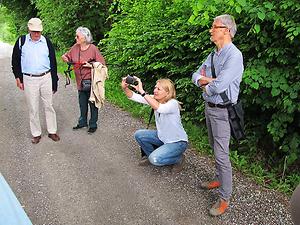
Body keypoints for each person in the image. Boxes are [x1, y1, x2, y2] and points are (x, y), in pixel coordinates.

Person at [192, 14, 244, 216]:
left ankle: (224, 198)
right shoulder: (213, 55)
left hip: (223, 112)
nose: (211, 30)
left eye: (215, 26)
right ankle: (219, 179)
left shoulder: (234, 56)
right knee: (214, 148)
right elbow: (194, 75)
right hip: (210, 108)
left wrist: (207, 85)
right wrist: (205, 80)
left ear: (226, 30)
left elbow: (220, 86)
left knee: (222, 156)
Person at [121, 77, 188, 173]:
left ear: (167, 93)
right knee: (139, 134)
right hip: (162, 137)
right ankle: (152, 156)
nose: (155, 90)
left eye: (159, 89)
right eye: (155, 88)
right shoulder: (156, 99)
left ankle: (178, 159)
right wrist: (125, 88)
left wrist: (142, 91)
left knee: (155, 159)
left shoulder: (173, 103)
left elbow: (160, 108)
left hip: (177, 142)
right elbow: (134, 97)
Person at [11, 18, 60, 144]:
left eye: (39, 31)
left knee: (49, 105)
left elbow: (53, 62)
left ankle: (52, 131)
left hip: (46, 77)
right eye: (34, 31)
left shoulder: (46, 42)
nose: (37, 34)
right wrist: (18, 78)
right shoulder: (22, 41)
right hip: (29, 78)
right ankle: (36, 133)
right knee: (33, 107)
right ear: (29, 30)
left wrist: (54, 81)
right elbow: (15, 61)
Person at [61, 27, 106, 134]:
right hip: (80, 81)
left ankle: (93, 124)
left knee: (93, 103)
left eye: (77, 36)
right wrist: (65, 57)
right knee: (82, 103)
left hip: (91, 82)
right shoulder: (75, 47)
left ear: (85, 38)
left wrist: (90, 65)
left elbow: (102, 64)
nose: (75, 38)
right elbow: (67, 56)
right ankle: (82, 122)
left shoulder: (93, 49)